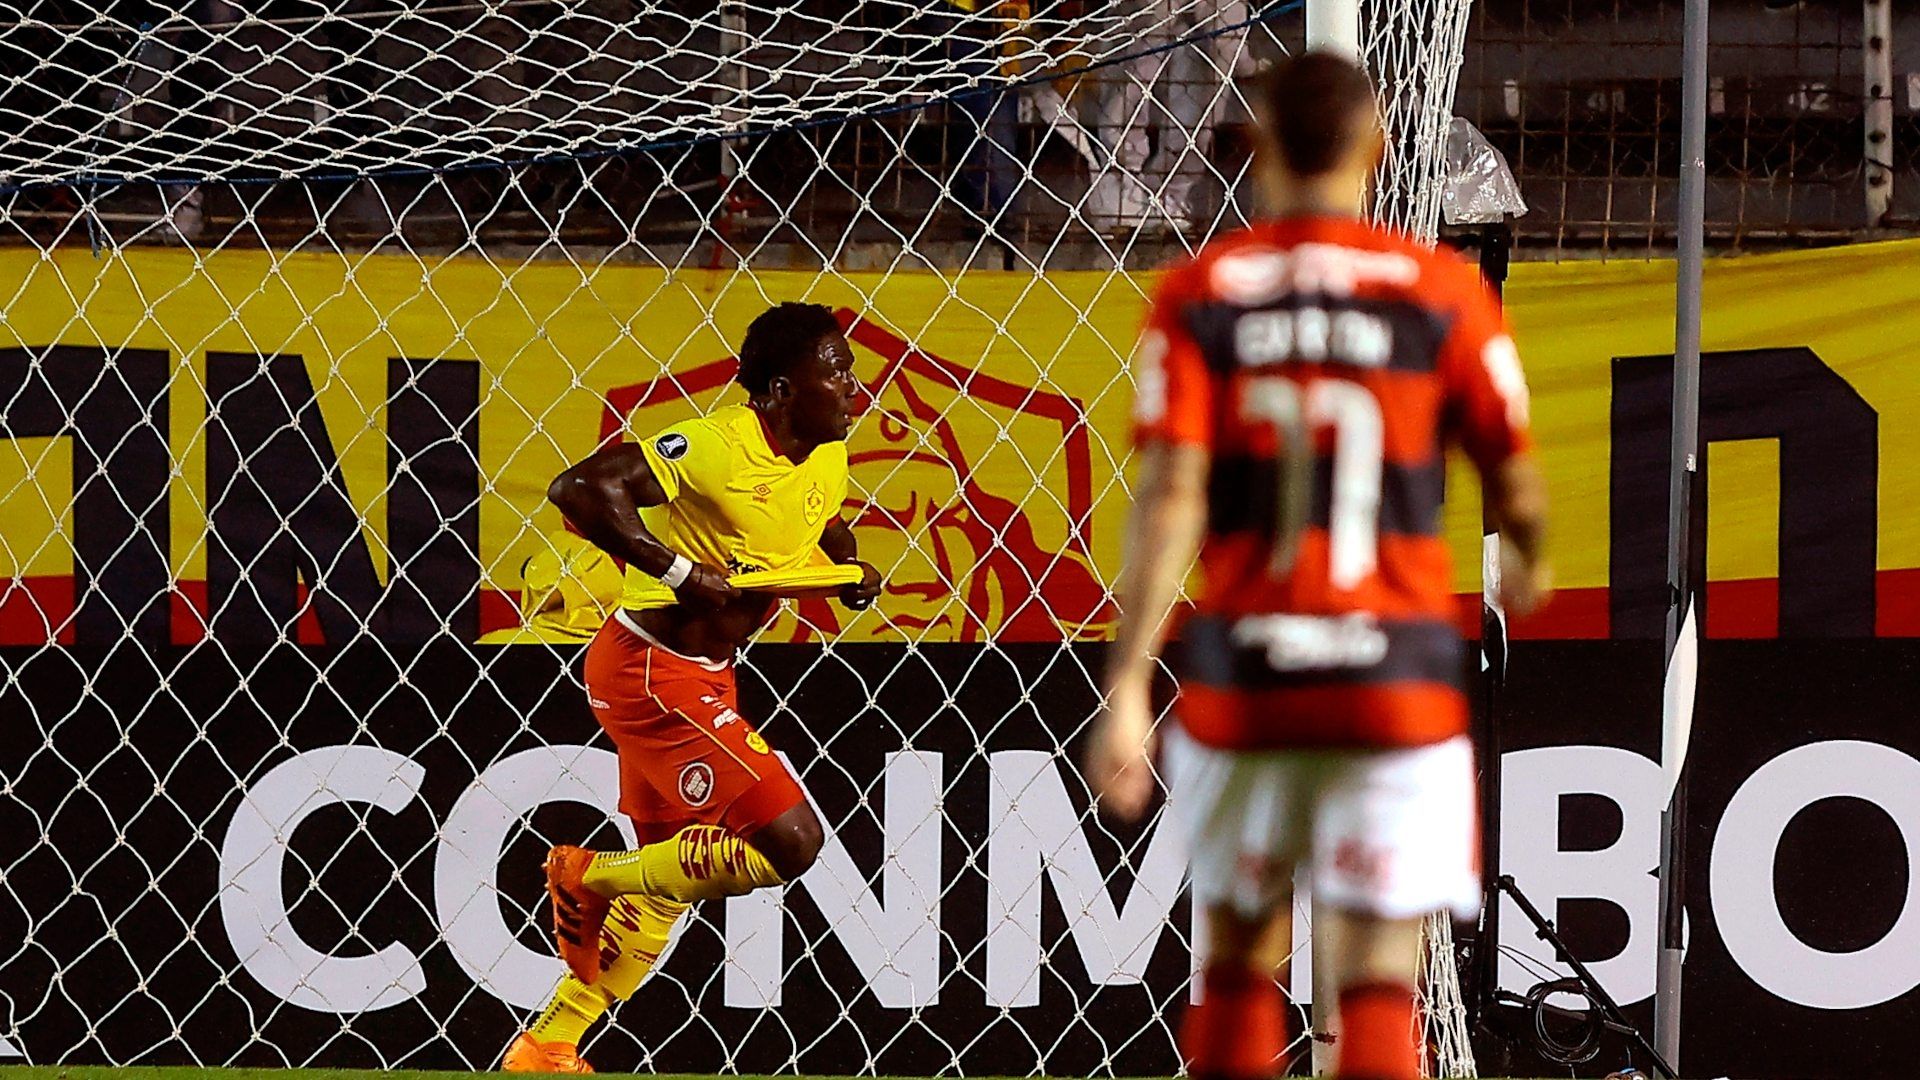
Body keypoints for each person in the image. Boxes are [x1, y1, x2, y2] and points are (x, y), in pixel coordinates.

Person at [1085, 51, 1550, 1080]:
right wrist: (1528, 553)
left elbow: (1172, 497)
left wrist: (1126, 685)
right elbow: (1514, 478)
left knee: (1242, 959)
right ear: (1380, 151)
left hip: (1252, 674)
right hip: (1394, 677)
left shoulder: (1202, 294)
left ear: (1250, 150)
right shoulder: (1440, 292)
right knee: (1382, 968)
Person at [502, 301, 883, 1074]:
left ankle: (549, 1044)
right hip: (651, 669)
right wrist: (675, 571)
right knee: (790, 842)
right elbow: (578, 488)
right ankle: (588, 874)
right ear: (780, 390)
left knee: (671, 880)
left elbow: (817, 519)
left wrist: (846, 568)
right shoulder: (715, 444)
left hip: (701, 674)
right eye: (836, 371)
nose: (854, 386)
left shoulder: (827, 452)